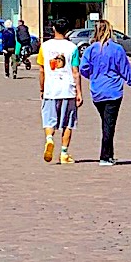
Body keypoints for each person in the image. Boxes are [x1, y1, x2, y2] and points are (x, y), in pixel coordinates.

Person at [77, 21, 131, 166]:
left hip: (97, 91)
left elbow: (83, 68)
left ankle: (109, 155)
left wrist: (93, 76)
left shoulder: (90, 50)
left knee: (106, 123)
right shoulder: (116, 49)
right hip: (113, 91)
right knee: (108, 125)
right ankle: (105, 157)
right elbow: (125, 68)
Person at [37, 21, 82, 164]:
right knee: (68, 123)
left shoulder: (45, 46)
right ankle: (64, 153)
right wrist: (79, 92)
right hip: (68, 89)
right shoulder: (73, 48)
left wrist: (42, 88)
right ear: (67, 30)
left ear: (53, 29)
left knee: (49, 119)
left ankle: (49, 139)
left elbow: (42, 70)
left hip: (51, 89)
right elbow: (76, 72)